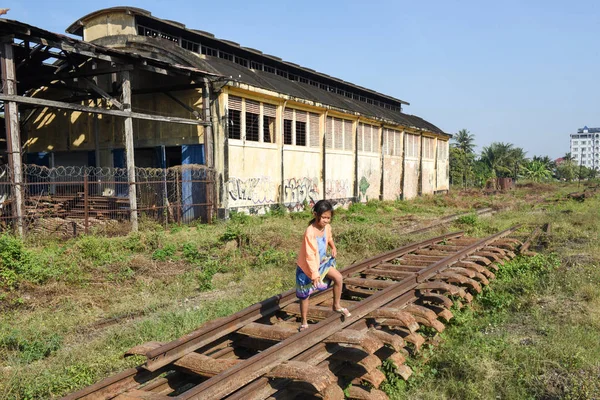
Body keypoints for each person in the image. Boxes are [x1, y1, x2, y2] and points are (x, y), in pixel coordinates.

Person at [295, 200, 351, 332]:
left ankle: (336, 305)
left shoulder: (327, 227)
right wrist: (314, 274)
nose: (326, 220)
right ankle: (304, 321)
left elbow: (329, 237)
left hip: (320, 263)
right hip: (307, 267)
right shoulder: (310, 232)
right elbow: (309, 255)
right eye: (324, 217)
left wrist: (333, 246)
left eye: (328, 218)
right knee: (305, 295)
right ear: (316, 215)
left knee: (338, 277)